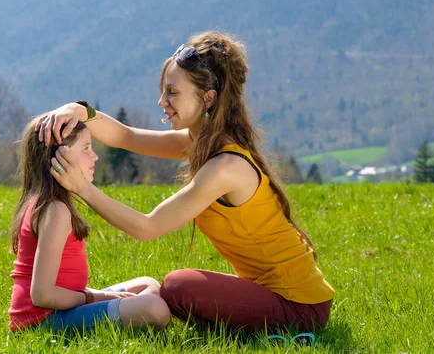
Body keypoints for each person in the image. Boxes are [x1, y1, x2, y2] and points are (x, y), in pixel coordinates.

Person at [37, 31, 335, 334]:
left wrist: (83, 188)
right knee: (178, 288)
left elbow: (147, 227)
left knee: (179, 287)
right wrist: (79, 110)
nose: (161, 101)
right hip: (279, 295)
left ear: (208, 97)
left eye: (172, 92)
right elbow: (126, 137)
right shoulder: (203, 142)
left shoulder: (226, 166)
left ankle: (283, 335)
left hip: (299, 306)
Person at [8, 118, 170, 332]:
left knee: (149, 285)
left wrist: (98, 296)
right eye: (86, 149)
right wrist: (96, 297)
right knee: (154, 308)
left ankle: (123, 317)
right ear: (60, 158)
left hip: (59, 307)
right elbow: (42, 295)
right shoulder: (55, 211)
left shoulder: (50, 205)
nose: (95, 156)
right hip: (43, 321)